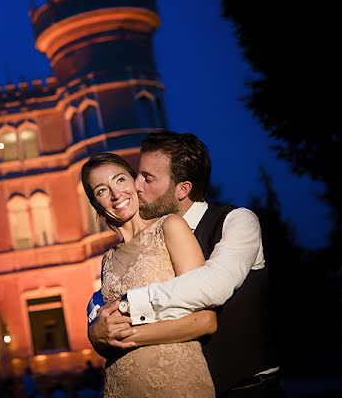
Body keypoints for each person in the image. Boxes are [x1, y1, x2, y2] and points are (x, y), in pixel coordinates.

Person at [88, 131, 284, 397]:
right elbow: (99, 307)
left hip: (246, 389)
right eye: (137, 174)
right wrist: (96, 330)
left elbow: (214, 284)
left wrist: (127, 307)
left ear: (182, 189)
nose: (136, 185)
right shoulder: (131, 246)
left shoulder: (236, 221)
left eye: (148, 178)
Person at [81, 151, 216, 397]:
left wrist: (128, 336)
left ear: (134, 181)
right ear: (95, 204)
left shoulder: (170, 226)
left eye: (120, 180)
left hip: (177, 383)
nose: (115, 194)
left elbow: (205, 320)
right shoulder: (107, 261)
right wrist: (96, 336)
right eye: (101, 190)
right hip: (121, 386)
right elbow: (106, 331)